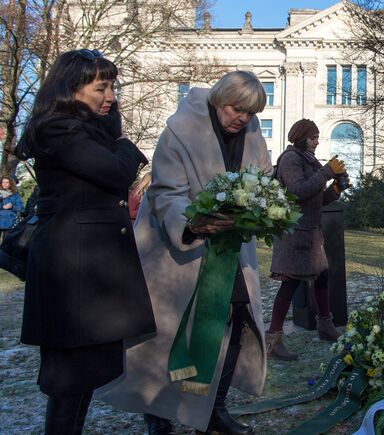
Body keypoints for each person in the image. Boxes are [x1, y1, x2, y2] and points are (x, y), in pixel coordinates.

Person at [96, 71, 273, 435]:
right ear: (218, 100)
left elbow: (263, 180)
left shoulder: (251, 133)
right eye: (236, 109)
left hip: (231, 250)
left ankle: (214, 411)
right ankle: (157, 412)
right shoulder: (180, 131)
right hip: (177, 252)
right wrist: (192, 225)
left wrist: (265, 209)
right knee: (169, 334)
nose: (242, 119)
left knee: (237, 322)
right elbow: (166, 192)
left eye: (250, 113)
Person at [16, 49, 156, 434]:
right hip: (72, 268)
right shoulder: (57, 128)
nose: (111, 96)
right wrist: (127, 145)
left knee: (84, 374)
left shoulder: (87, 130)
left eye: (113, 86)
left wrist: (113, 132)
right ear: (72, 88)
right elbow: (114, 172)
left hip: (90, 268)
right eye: (101, 87)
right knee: (69, 378)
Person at [267, 119, 347, 360]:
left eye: (318, 137)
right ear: (302, 137)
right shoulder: (291, 158)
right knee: (290, 284)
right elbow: (298, 191)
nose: (317, 141)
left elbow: (315, 200)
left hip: (310, 233)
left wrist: (336, 189)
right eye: (314, 137)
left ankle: (325, 325)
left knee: (322, 276)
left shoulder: (308, 159)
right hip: (294, 232)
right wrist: (326, 172)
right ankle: (273, 339)